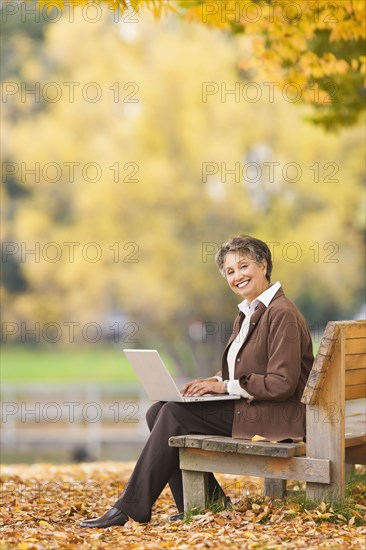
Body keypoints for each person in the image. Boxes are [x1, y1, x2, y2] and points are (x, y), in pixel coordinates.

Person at [80, 235, 314, 528]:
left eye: (244, 266)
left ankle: (130, 507)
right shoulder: (250, 311)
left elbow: (282, 383)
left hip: (278, 417)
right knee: (159, 410)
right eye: (230, 271)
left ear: (263, 265)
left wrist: (224, 387)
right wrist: (213, 381)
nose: (237, 276)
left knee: (174, 414)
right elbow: (246, 369)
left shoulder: (282, 314)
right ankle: (207, 503)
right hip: (255, 408)